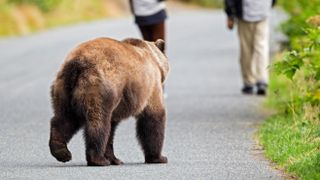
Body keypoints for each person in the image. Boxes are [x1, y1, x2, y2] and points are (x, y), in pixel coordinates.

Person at [224, 0, 276, 95]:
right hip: (263, 11)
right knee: (261, 47)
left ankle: (249, 82)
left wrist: (230, 14)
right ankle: (262, 80)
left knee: (246, 49)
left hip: (245, 13)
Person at [129, 0, 168, 97]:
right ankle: (159, 89)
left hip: (140, 11)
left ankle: (155, 89)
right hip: (154, 10)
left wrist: (133, 8)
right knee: (159, 51)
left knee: (149, 52)